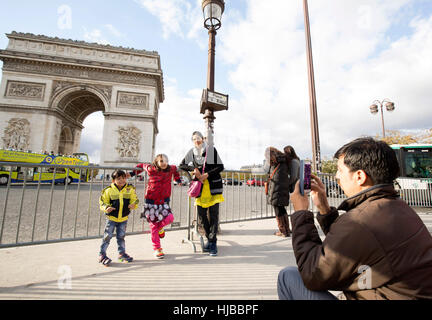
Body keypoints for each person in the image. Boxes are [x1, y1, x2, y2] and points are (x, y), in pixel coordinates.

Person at [277, 137, 432, 300]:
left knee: (288, 277)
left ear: (359, 176)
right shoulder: (396, 207)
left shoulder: (361, 220)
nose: (337, 176)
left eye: (340, 170)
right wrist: (324, 208)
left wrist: (301, 213)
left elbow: (313, 273)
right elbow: (348, 248)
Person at [179, 131, 224, 256]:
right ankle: (209, 239)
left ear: (203, 139)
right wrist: (193, 170)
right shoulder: (191, 152)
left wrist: (207, 174)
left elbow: (221, 167)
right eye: (194, 139)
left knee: (214, 216)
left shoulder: (211, 151)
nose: (196, 141)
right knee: (202, 217)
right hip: (200, 189)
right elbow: (181, 165)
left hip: (213, 187)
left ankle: (213, 242)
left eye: (198, 138)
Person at [129, 154, 182, 259]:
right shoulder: (150, 168)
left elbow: (176, 171)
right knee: (153, 226)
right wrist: (131, 173)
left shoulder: (171, 168)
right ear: (156, 162)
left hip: (164, 201)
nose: (164, 163)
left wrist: (178, 179)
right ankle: (157, 248)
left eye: (166, 160)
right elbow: (140, 165)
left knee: (170, 218)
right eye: (161, 161)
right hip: (151, 201)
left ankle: (160, 227)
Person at [98, 170, 139, 266]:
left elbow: (135, 199)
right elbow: (102, 202)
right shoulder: (108, 190)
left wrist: (134, 204)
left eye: (123, 178)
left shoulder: (130, 189)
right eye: (118, 178)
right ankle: (102, 254)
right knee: (107, 237)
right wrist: (106, 208)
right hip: (111, 218)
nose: (121, 180)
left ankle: (122, 253)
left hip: (123, 218)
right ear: (113, 180)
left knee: (121, 237)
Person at [263, 147, 292, 237]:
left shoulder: (274, 163)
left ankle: (283, 231)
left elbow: (265, 170)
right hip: (283, 188)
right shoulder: (284, 161)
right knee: (282, 209)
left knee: (277, 210)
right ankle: (287, 229)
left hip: (276, 189)